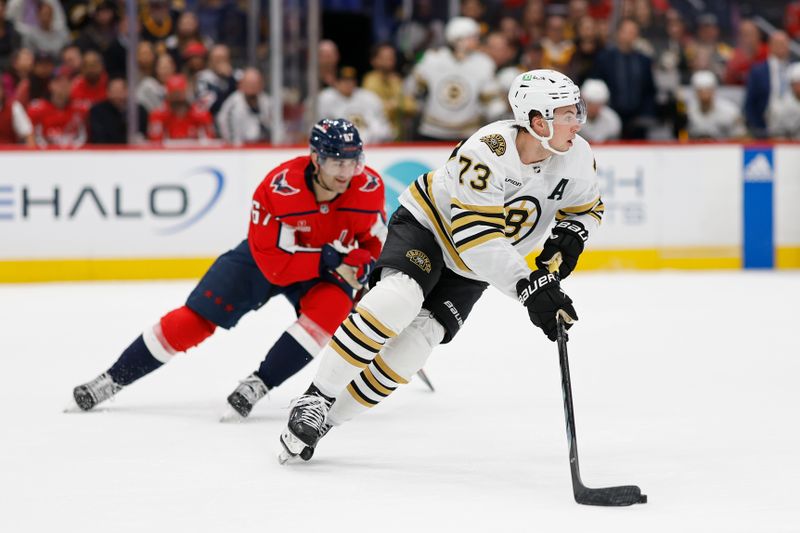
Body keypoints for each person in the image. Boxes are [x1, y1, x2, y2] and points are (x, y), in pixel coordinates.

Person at [278, 69, 604, 463]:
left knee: (416, 345)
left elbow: (587, 207)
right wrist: (529, 288)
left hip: (473, 269)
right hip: (429, 229)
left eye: (577, 111)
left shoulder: (578, 155)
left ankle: (326, 421)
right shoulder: (487, 151)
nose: (578, 122)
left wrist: (571, 234)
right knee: (398, 299)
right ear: (537, 121)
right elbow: (476, 238)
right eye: (567, 114)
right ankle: (315, 398)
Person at [72, 119, 387, 420]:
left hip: (324, 269)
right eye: (337, 163)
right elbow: (276, 268)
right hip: (266, 261)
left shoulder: (369, 187)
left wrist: (365, 265)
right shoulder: (279, 190)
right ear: (316, 159)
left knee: (329, 312)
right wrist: (332, 261)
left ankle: (259, 384)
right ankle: (113, 378)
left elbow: (374, 240)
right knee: (196, 319)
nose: (347, 172)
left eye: (353, 162)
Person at [410, 16, 497, 141]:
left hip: (468, 132)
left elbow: (490, 99)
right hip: (433, 130)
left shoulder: (483, 63)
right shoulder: (432, 59)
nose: (477, 41)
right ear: (459, 39)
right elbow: (413, 89)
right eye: (473, 37)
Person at [216, 67, 271, 145]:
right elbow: (222, 121)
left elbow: (276, 127)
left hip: (262, 147)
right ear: (241, 85)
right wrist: (231, 142)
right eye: (249, 83)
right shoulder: (233, 103)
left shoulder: (267, 103)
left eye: (255, 83)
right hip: (238, 148)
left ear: (261, 85)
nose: (252, 87)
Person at [686, 70, 746, 140]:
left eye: (708, 90)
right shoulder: (687, 111)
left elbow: (741, 136)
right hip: (694, 149)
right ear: (695, 93)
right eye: (700, 91)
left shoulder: (730, 111)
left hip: (724, 149)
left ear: (714, 91)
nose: (705, 96)